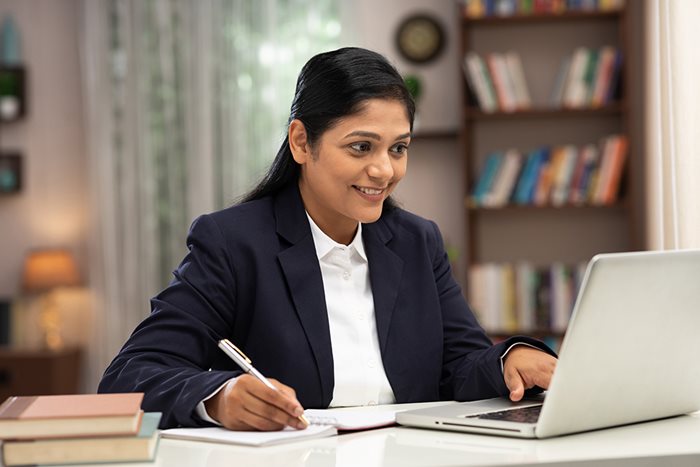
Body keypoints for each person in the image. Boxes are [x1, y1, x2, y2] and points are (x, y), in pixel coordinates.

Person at [98, 47, 557, 431]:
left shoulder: (418, 241)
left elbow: (461, 364)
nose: (384, 170)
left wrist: (508, 358)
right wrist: (219, 397)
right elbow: (129, 376)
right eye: (361, 147)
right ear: (301, 142)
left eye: (398, 148)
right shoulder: (232, 243)